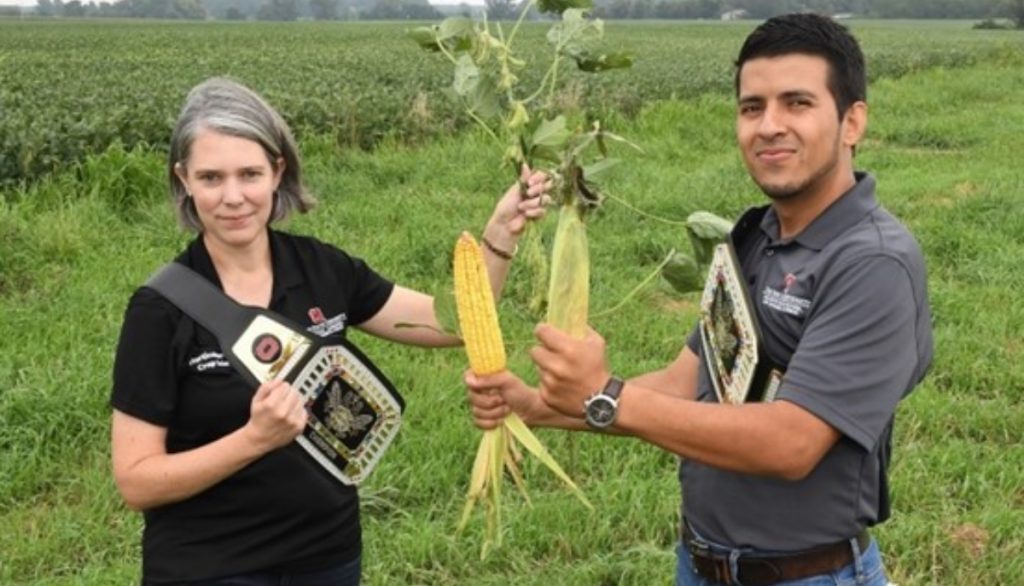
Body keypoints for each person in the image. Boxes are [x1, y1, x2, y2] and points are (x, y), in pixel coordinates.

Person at [466, 13, 933, 586]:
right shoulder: (752, 237)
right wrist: (538, 406)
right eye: (752, 107)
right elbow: (687, 383)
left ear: (852, 121)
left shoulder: (874, 263)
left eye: (798, 103)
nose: (769, 126)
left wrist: (605, 393)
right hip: (700, 565)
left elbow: (793, 442)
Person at [110, 77, 549, 585]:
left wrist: (498, 234)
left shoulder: (323, 269)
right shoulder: (159, 311)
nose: (233, 197)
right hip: (210, 567)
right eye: (211, 178)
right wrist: (254, 439)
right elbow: (137, 481)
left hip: (328, 557)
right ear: (183, 179)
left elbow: (450, 325)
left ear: (278, 171)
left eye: (250, 173)